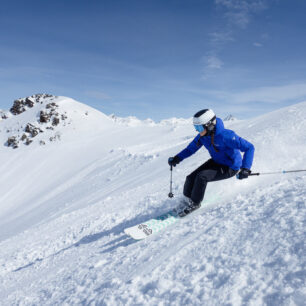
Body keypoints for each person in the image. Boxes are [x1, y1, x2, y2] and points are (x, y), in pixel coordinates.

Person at [168, 109, 255, 215]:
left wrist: (245, 168)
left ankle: (195, 203)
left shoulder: (226, 136)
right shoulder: (203, 136)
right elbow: (190, 149)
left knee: (202, 176)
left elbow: (249, 147)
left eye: (199, 127)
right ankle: (186, 200)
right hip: (216, 161)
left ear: (209, 125)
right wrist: (177, 158)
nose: (197, 131)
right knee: (190, 178)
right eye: (196, 128)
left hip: (230, 167)